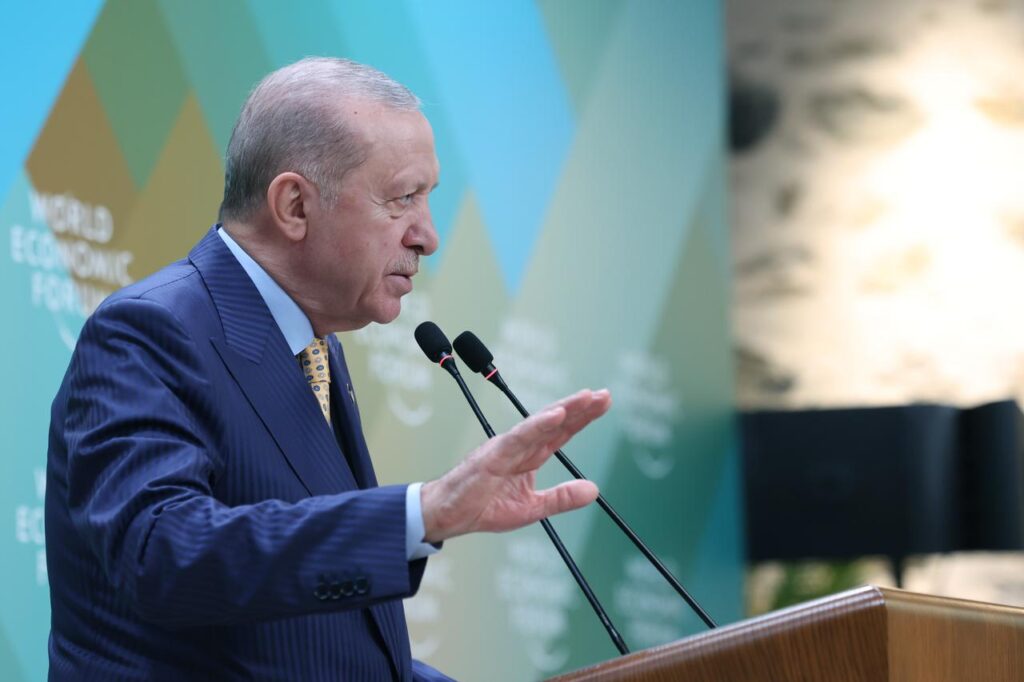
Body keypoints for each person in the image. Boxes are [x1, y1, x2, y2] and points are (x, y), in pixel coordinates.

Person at [44, 57, 610, 681]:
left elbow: (319, 650)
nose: (427, 236)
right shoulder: (150, 332)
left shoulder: (314, 348)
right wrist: (423, 513)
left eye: (428, 198)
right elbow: (162, 556)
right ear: (294, 206)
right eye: (403, 198)